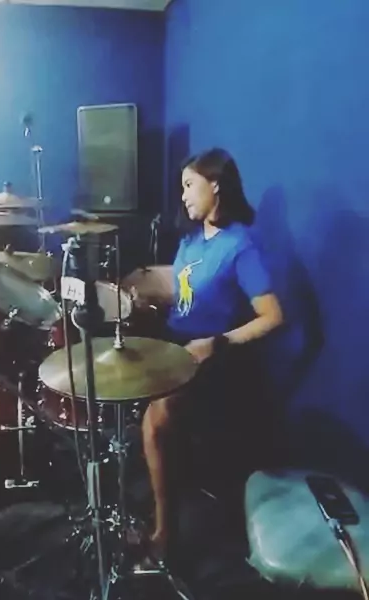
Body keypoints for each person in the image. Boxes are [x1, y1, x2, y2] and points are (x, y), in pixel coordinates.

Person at [137, 148, 284, 555]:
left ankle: (165, 532)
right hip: (174, 344)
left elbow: (273, 316)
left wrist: (218, 342)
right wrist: (142, 295)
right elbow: (184, 293)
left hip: (211, 356)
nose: (183, 195)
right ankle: (159, 491)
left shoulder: (240, 246)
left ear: (215, 184)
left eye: (189, 185)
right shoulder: (191, 240)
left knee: (156, 421)